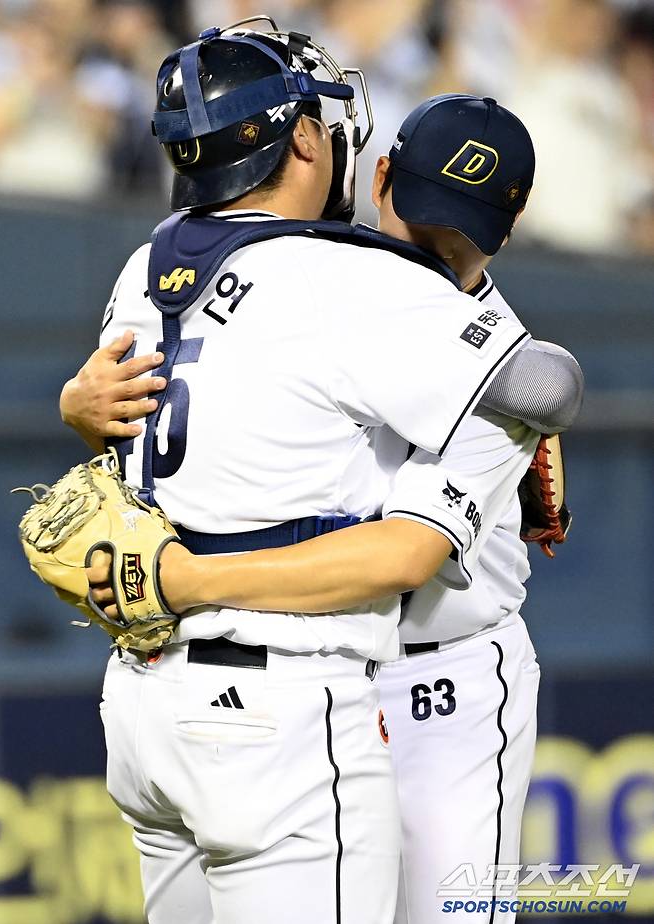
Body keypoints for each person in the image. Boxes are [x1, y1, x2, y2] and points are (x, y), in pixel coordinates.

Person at [61, 21, 581, 924]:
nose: (431, 237)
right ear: (358, 166)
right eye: (418, 205)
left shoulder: (153, 263)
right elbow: (547, 382)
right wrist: (83, 409)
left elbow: (533, 392)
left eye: (461, 223)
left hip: (424, 677)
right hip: (300, 689)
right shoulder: (348, 283)